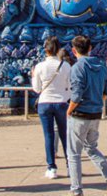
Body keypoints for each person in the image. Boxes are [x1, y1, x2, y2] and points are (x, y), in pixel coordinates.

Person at [66, 34, 107, 196]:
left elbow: (76, 95)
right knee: (91, 148)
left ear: (73, 50)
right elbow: (106, 92)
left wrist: (68, 111)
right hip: (95, 113)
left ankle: (76, 190)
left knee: (74, 153)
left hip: (80, 114)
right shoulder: (101, 66)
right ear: (90, 48)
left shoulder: (78, 68)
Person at [30, 36, 72, 180]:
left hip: (45, 102)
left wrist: (32, 76)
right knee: (64, 135)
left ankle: (51, 167)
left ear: (46, 50)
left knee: (49, 135)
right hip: (61, 103)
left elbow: (36, 88)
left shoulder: (40, 66)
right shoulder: (65, 66)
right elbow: (71, 86)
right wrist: (65, 96)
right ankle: (70, 166)